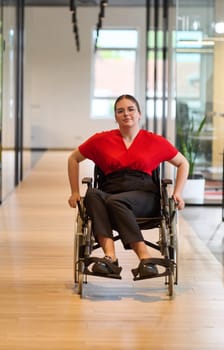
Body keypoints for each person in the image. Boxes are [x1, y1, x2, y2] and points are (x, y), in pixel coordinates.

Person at [67, 94, 189, 279]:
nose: (126, 114)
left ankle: (145, 257)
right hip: (111, 191)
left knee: (115, 202)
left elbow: (183, 163)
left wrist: (178, 193)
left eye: (131, 109)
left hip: (144, 195)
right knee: (92, 194)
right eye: (120, 111)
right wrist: (75, 192)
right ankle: (110, 257)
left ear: (139, 114)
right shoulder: (101, 140)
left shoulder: (155, 141)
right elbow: (73, 158)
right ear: (115, 117)